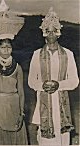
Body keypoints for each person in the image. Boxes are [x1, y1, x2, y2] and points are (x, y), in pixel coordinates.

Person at [28, 7, 79, 146]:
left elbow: (74, 81)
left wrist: (59, 85)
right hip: (44, 103)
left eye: (54, 31)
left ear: (58, 33)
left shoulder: (68, 54)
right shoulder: (36, 54)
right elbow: (31, 81)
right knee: (46, 141)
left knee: (63, 138)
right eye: (47, 31)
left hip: (61, 103)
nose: (51, 34)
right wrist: (43, 86)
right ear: (44, 33)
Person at [0, 0, 28, 145]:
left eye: (9, 47)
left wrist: (21, 113)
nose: (6, 50)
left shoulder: (17, 67)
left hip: (13, 109)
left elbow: (21, 92)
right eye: (3, 47)